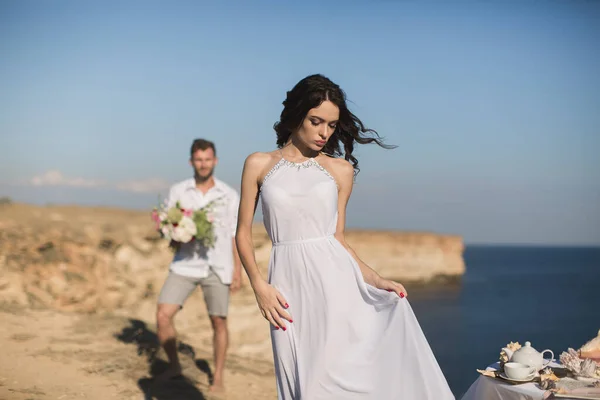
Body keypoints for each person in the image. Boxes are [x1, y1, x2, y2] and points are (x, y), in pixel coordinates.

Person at [235, 74, 455, 399]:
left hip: (337, 286)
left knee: (333, 381)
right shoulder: (259, 164)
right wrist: (259, 286)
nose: (324, 132)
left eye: (332, 125)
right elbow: (241, 232)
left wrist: (378, 279)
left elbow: (337, 238)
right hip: (286, 287)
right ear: (297, 114)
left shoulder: (340, 170)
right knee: (300, 380)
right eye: (316, 121)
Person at [155, 138, 242, 392]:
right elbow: (167, 228)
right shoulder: (178, 191)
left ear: (215, 161)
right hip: (185, 263)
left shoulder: (229, 195)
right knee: (162, 315)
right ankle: (174, 367)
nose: (203, 164)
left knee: (219, 322)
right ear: (191, 161)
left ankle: (218, 378)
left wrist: (238, 270)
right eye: (198, 159)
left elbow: (236, 234)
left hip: (218, 266)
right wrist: (175, 232)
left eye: (207, 159)